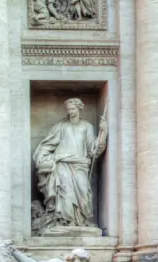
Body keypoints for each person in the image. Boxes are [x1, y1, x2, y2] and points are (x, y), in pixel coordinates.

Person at [33, 98, 106, 229]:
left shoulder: (87, 126)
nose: (70, 111)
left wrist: (103, 132)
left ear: (79, 109)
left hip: (80, 164)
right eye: (68, 109)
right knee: (65, 192)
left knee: (84, 191)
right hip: (63, 164)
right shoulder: (61, 127)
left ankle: (83, 221)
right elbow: (48, 145)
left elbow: (93, 149)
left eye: (73, 109)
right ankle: (65, 222)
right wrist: (43, 156)